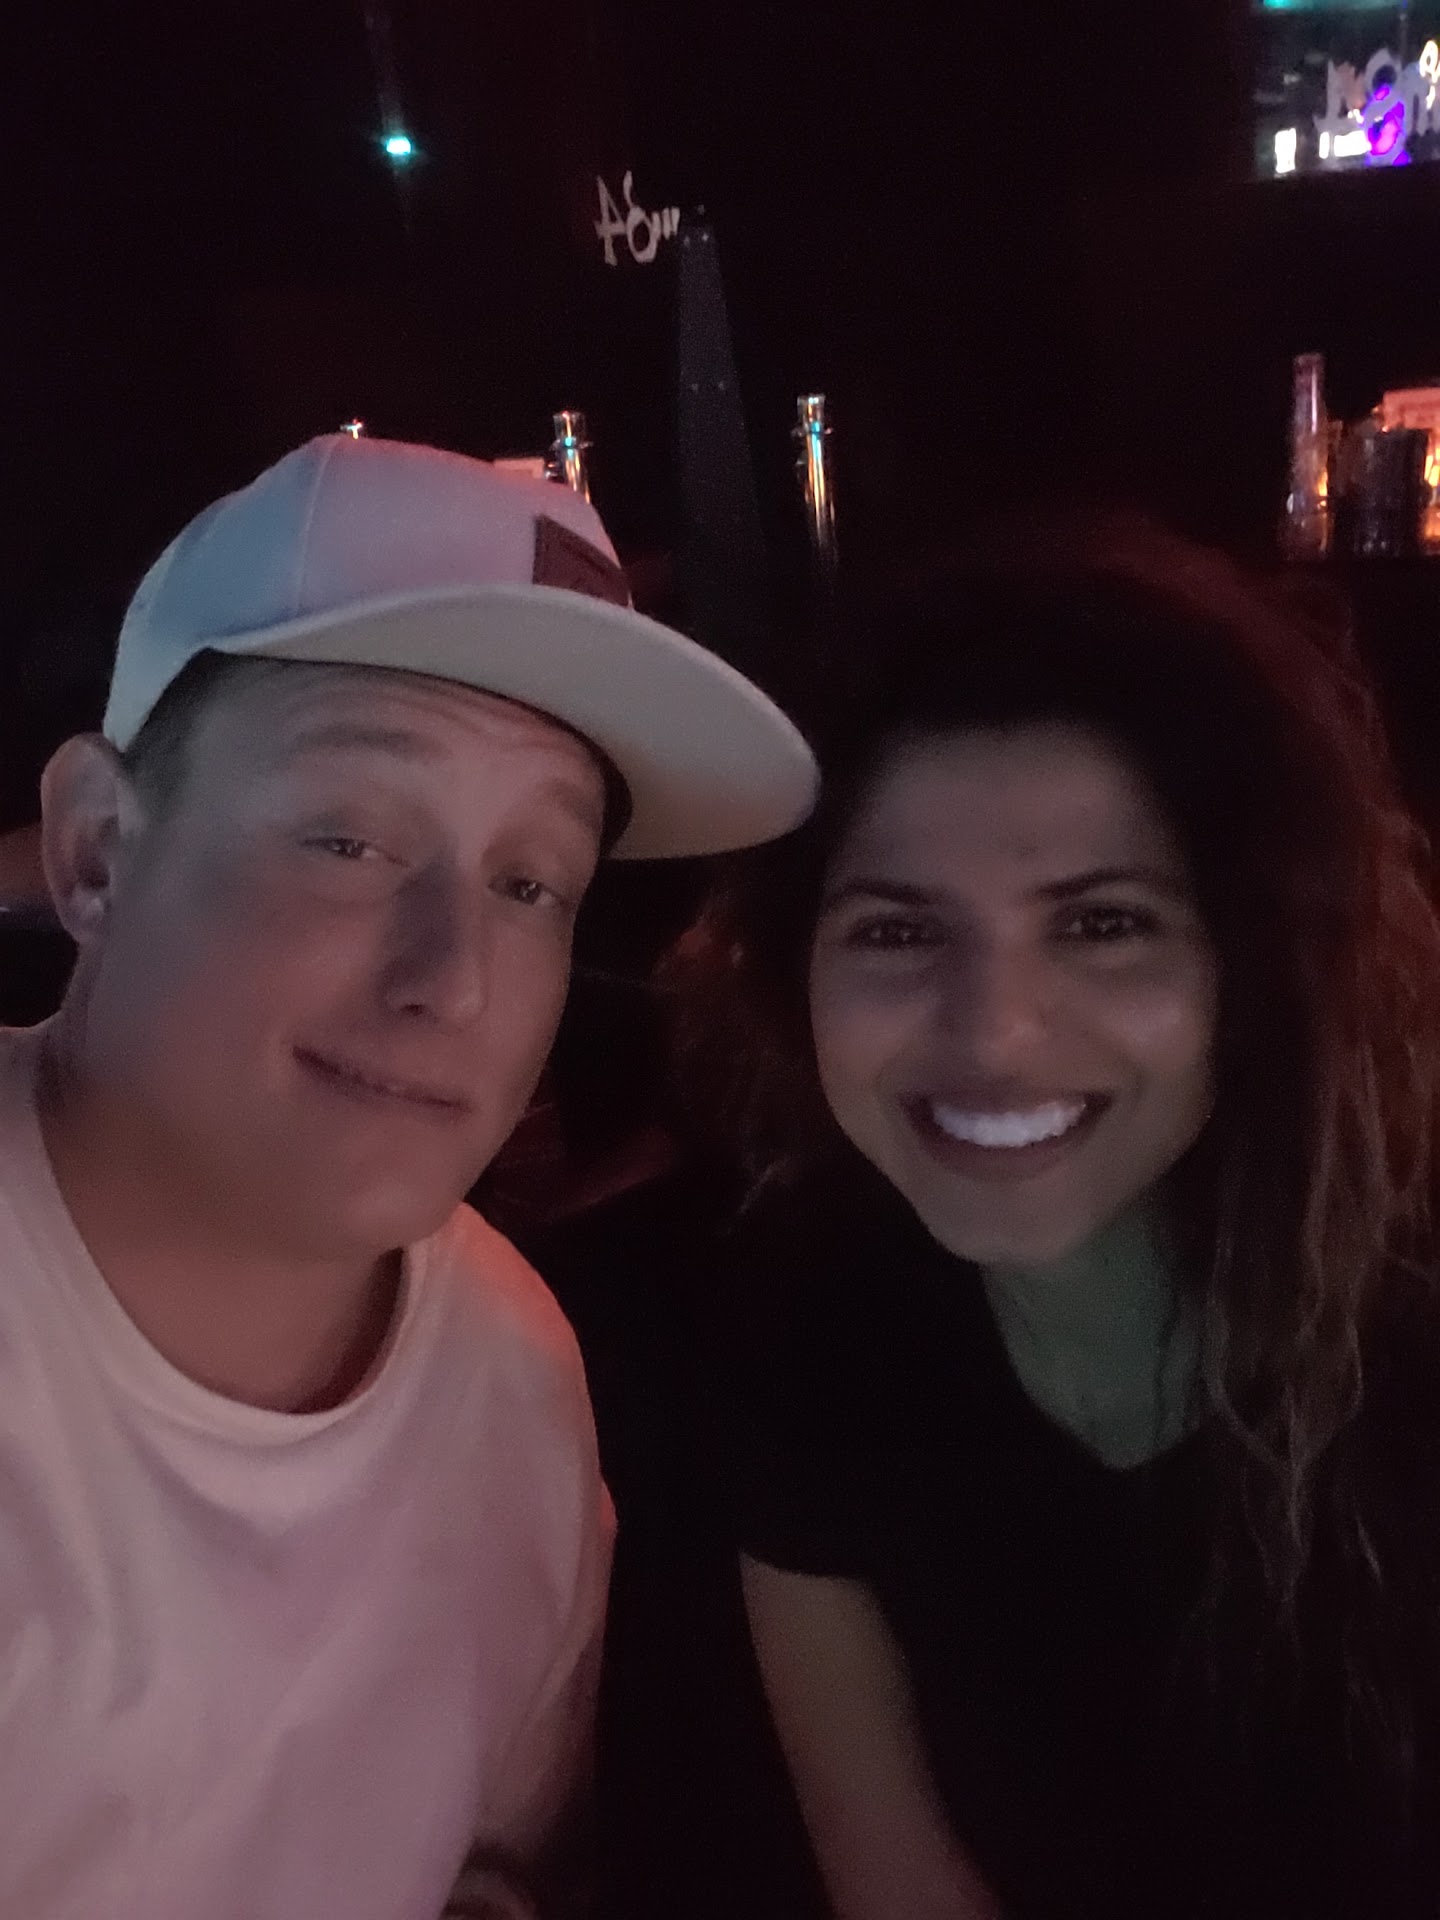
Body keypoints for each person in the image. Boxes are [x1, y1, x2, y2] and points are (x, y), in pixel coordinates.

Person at [0, 431, 817, 1920]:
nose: (455, 978)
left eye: (531, 883)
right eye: (351, 839)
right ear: (97, 851)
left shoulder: (510, 1372)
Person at [679, 516, 1440, 1918]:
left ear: (1256, 962)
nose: (995, 1035)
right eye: (899, 930)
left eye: (1103, 924)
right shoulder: (811, 1322)